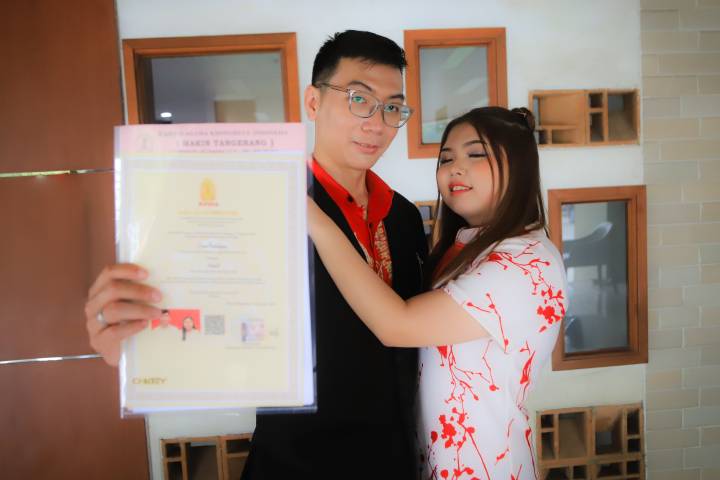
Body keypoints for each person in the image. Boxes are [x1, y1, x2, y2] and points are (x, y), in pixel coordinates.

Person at [83, 30, 427, 479]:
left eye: (392, 108)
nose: (377, 124)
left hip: (396, 461)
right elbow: (200, 313)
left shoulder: (404, 217)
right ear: (313, 102)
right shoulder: (257, 206)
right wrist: (135, 346)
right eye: (359, 99)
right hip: (296, 464)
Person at [307, 106, 568, 479]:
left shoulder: (526, 262)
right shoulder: (467, 246)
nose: (455, 168)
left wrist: (314, 219)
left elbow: (397, 324)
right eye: (446, 158)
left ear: (519, 168)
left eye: (475, 154)